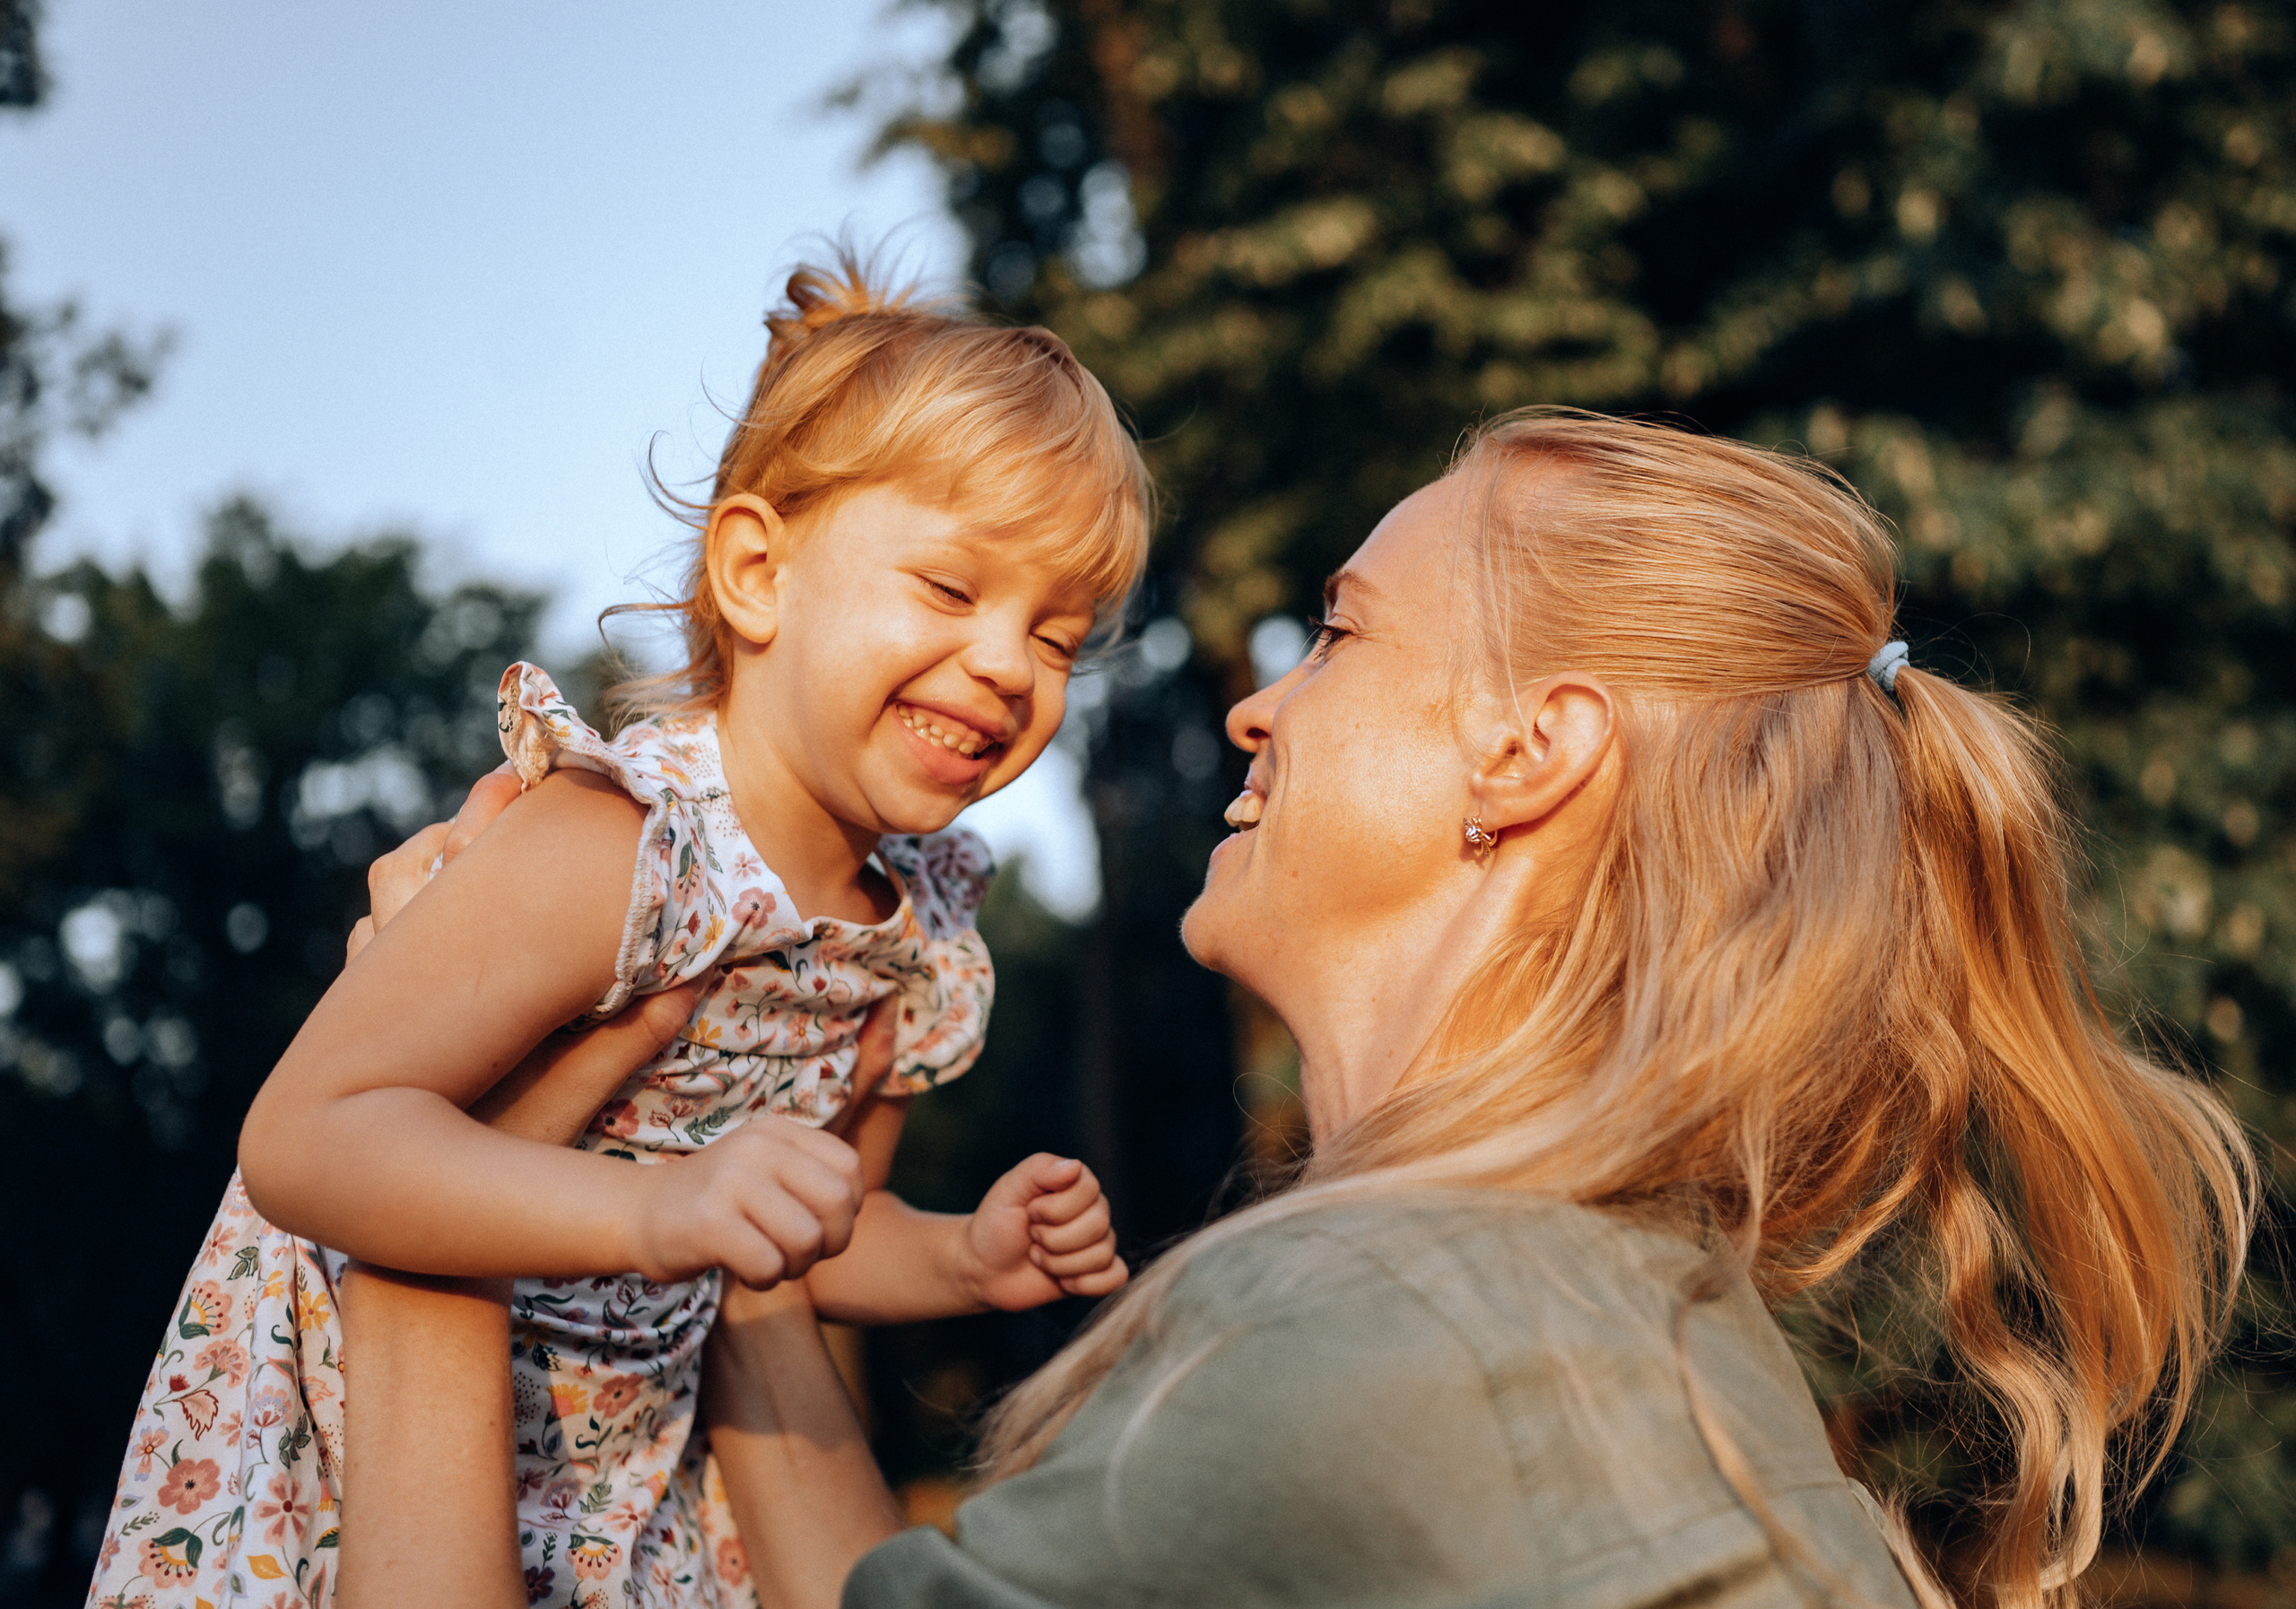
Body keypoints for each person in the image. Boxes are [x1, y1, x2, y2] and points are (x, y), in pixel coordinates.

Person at [217, 409, 2259, 1609]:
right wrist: (718, 1235)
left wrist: (424, 1217)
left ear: (1525, 757)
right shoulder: (1588, 1322)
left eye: (1343, 632)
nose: (1253, 698)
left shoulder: (1384, 1350)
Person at [87, 257, 1145, 1609]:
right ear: (759, 573)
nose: (1009, 663)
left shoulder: (917, 939)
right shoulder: (624, 841)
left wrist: (956, 1253)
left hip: (631, 1469)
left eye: (1059, 635)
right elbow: (309, 1134)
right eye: (951, 590)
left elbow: (816, 1227)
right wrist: (656, 1206)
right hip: (351, 1446)